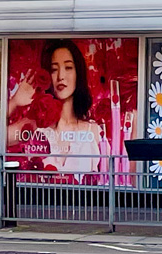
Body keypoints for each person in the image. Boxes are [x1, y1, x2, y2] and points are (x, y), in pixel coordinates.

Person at [7, 40, 104, 179]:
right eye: (54, 70)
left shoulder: (92, 131)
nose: (61, 76)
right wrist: (15, 102)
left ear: (78, 73)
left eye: (68, 67)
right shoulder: (35, 127)